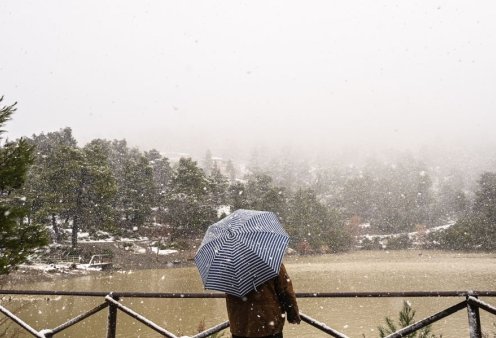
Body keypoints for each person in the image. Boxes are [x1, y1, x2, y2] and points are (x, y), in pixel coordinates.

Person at [225, 263, 300, 338]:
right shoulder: (272, 263)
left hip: (240, 327)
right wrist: (293, 314)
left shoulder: (230, 266)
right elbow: (285, 291)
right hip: (268, 324)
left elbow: (229, 296)